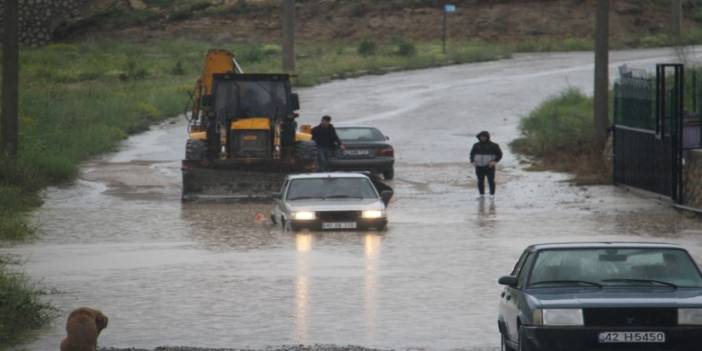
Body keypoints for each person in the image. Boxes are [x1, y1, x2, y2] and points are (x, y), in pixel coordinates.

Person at [470, 131, 503, 199]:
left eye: (484, 137)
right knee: (480, 181)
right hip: (479, 166)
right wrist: (473, 161)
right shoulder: (476, 145)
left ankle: (492, 195)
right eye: (481, 137)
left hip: (489, 166)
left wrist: (494, 161)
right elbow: (472, 154)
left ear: (487, 137)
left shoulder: (494, 145)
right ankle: (481, 195)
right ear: (479, 137)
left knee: (491, 180)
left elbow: (500, 155)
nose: (483, 138)